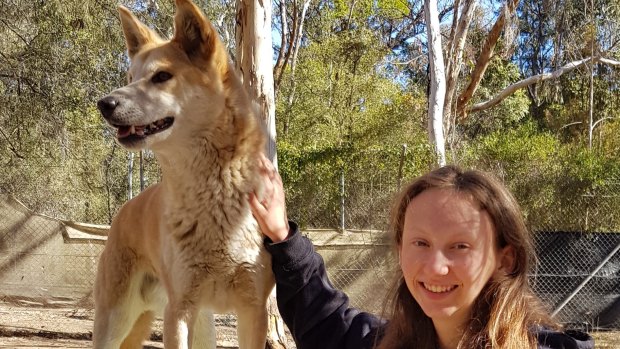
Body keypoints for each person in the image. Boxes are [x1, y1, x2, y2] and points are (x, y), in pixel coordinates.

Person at [249, 155, 594, 349]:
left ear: (505, 259)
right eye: (420, 243)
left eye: (460, 246)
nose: (435, 266)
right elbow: (323, 321)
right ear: (400, 249)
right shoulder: (382, 343)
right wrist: (282, 235)